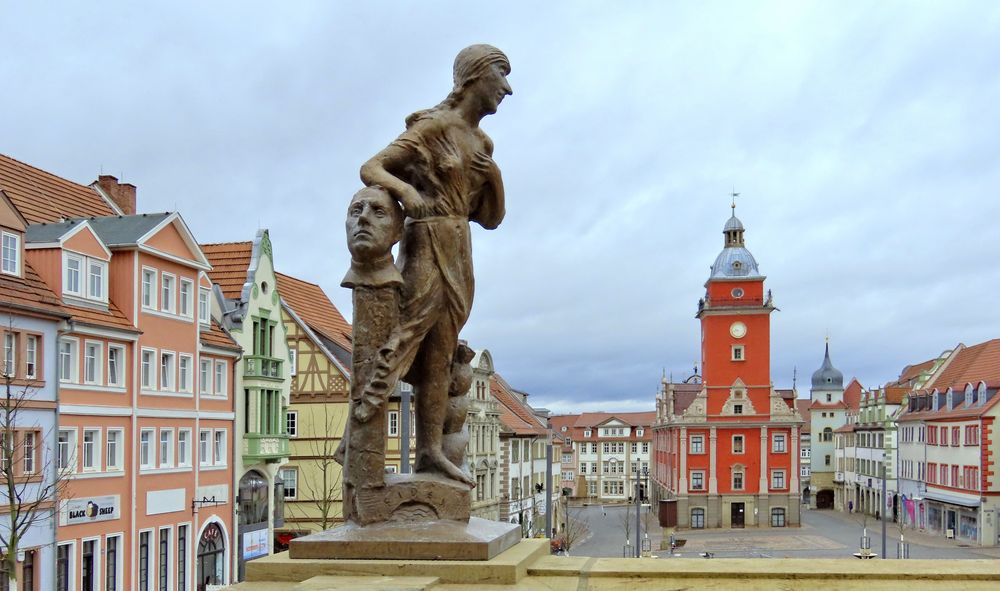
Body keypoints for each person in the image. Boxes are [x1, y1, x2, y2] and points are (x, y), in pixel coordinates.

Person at [358, 44, 511, 486]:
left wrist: (495, 176)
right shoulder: (433, 127)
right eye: (501, 75)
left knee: (441, 352)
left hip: (460, 247)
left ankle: (429, 452)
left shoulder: (482, 143)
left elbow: (491, 218)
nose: (507, 88)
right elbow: (372, 167)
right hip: (426, 243)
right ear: (474, 77)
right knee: (407, 336)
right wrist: (407, 194)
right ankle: (359, 430)